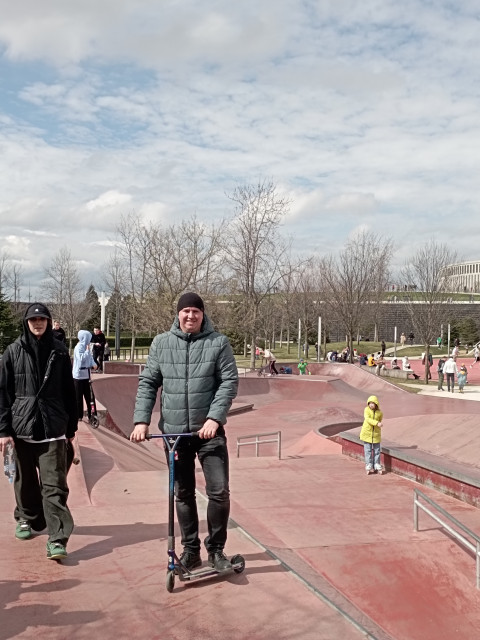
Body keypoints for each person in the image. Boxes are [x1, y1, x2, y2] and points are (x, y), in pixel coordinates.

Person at [130, 292, 238, 572]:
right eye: (186, 311)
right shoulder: (161, 344)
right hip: (175, 435)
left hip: (208, 433)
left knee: (219, 491)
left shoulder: (218, 343)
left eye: (196, 311)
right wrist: (141, 421)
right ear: (178, 314)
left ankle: (215, 549)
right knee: (183, 493)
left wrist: (214, 418)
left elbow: (228, 382)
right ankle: (190, 551)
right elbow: (147, 383)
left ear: (203, 315)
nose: (190, 316)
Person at [0, 302, 77, 560]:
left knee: (54, 486)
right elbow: (3, 393)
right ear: (27, 323)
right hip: (21, 429)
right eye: (34, 320)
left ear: (48, 320)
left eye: (43, 319)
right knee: (25, 483)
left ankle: (57, 538)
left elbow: (70, 390)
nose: (38, 323)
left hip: (53, 428)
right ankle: (26, 518)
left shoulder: (59, 351)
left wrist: (71, 427)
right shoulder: (12, 352)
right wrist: (3, 431)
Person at [73, 330, 97, 423]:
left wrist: (94, 363)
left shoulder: (88, 346)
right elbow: (81, 358)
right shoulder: (78, 347)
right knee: (78, 397)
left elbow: (90, 358)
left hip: (87, 375)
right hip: (78, 376)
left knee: (90, 396)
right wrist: (87, 351)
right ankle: (79, 415)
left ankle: (92, 414)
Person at [359, 395, 384, 475]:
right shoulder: (366, 410)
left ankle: (376, 464)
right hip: (367, 433)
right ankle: (369, 464)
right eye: (370, 403)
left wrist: (378, 424)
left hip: (376, 434)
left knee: (377, 450)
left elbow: (380, 419)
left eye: (373, 403)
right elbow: (368, 419)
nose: (371, 405)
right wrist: (377, 423)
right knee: (368, 450)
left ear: (376, 404)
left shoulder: (380, 413)